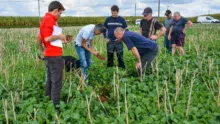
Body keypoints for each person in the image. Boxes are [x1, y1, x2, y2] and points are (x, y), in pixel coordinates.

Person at [40, 1, 67, 111]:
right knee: (57, 82)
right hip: (54, 56)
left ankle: (48, 100)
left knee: (51, 80)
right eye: (60, 13)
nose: (60, 16)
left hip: (51, 54)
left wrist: (61, 39)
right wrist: (59, 36)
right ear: (56, 10)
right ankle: (56, 108)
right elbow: (47, 38)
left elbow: (45, 37)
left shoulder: (48, 20)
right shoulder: (49, 19)